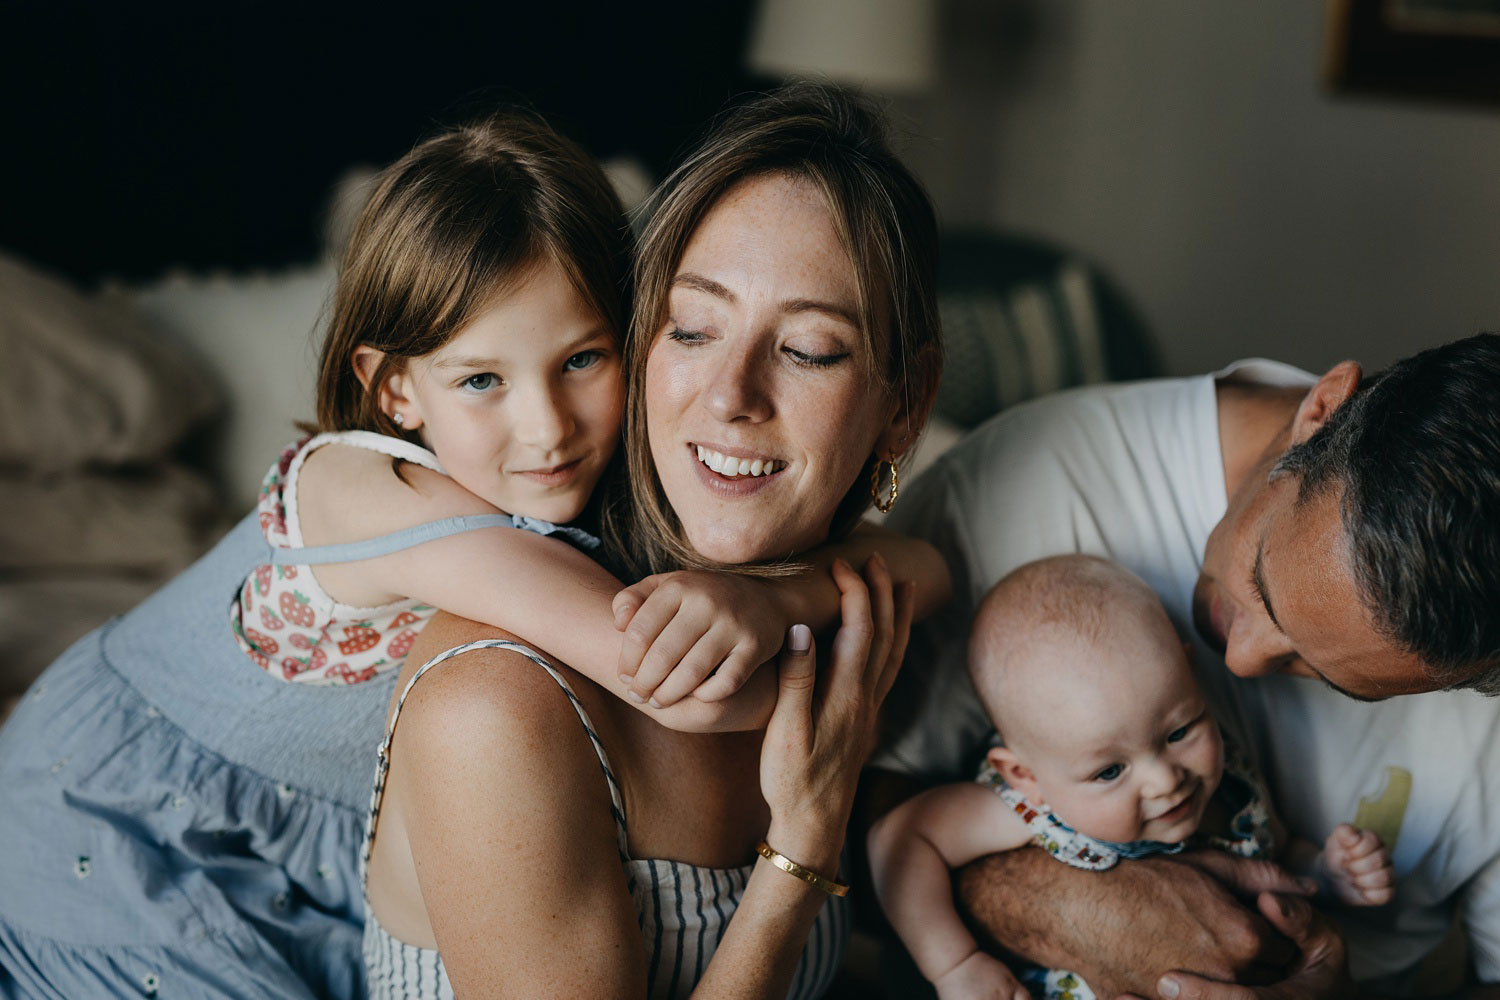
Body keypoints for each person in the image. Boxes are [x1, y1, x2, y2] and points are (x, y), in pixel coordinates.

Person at [0, 105, 941, 999]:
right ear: (397, 391)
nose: (546, 429)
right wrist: (822, 728)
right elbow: (681, 682)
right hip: (108, 845)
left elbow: (926, 565)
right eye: (482, 378)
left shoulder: (591, 502)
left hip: (279, 860)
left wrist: (782, 600)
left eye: (584, 359)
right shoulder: (369, 495)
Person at [360, 81, 946, 998]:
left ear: (905, 404)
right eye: (694, 328)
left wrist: (778, 597)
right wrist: (802, 846)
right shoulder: (495, 704)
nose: (730, 395)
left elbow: (928, 568)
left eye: (810, 350)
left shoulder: (846, 611)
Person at [873, 335, 1500, 999]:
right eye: (1262, 579)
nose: (1235, 658)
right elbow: (844, 829)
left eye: (1329, 676)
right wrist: (1059, 908)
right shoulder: (1021, 491)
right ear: (1320, 411)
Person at [869, 555, 1393, 1000]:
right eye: (1110, 771)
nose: (1165, 780)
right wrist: (953, 964)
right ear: (1024, 774)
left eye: (1179, 731)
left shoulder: (1228, 780)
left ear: (1189, 677)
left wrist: (1325, 872)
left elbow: (1277, 850)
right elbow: (900, 838)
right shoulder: (1029, 808)